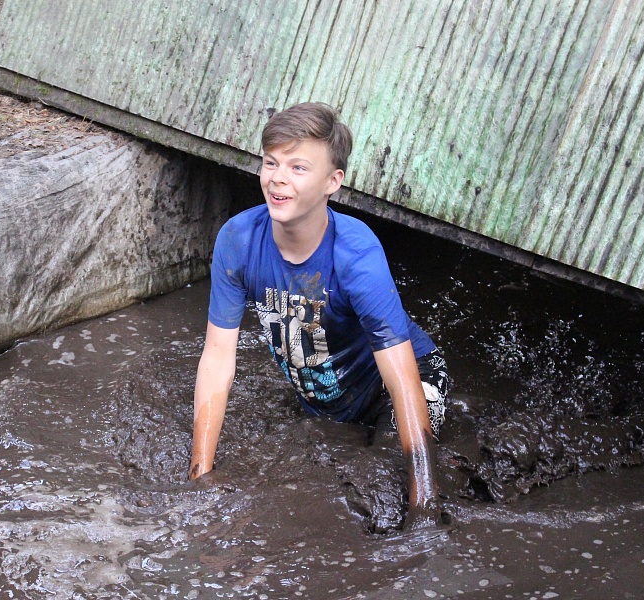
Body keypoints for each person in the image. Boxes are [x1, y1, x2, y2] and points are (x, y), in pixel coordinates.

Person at [188, 102, 449, 532]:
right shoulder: (239, 240)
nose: (278, 178)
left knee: (382, 495)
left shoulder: (356, 254)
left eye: (298, 167)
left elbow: (401, 380)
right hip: (324, 400)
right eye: (271, 162)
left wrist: (425, 506)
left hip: (402, 383)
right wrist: (200, 477)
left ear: (333, 182)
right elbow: (217, 360)